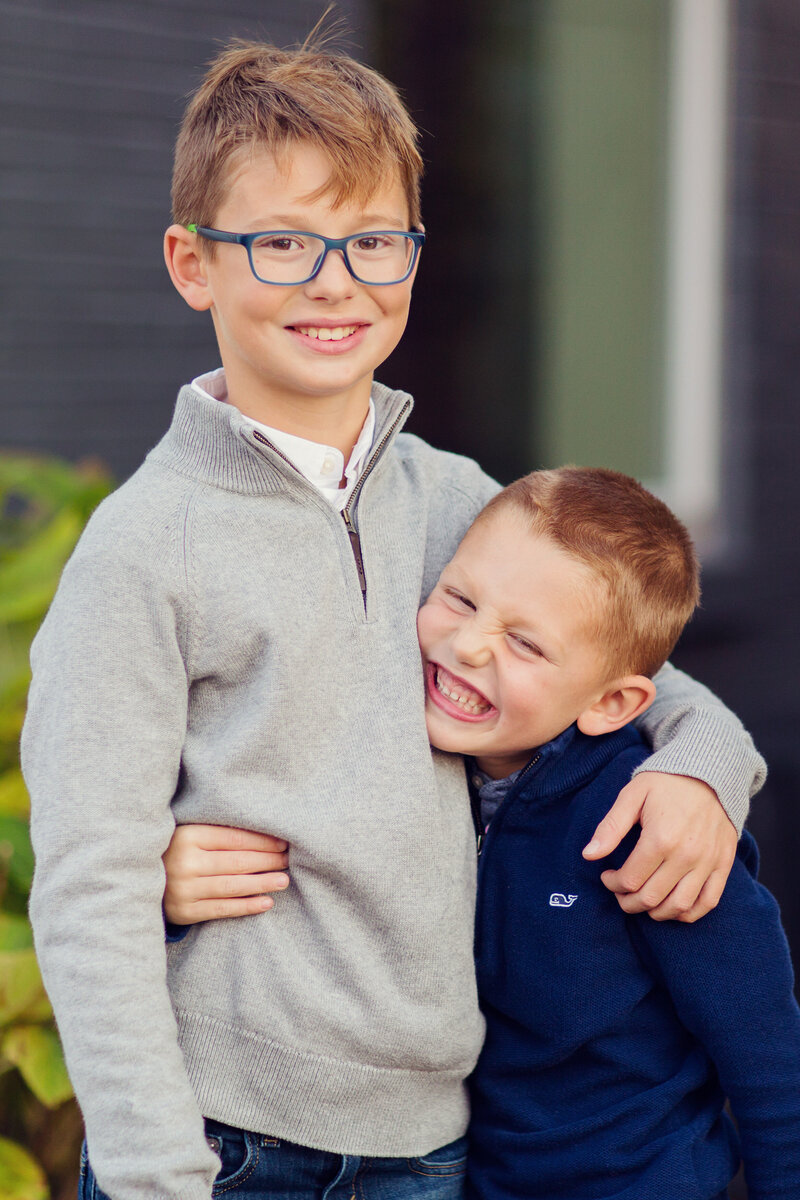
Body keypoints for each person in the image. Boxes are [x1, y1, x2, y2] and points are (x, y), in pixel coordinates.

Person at [21, 37, 764, 1200]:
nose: (334, 282)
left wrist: (701, 773)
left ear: (413, 255)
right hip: (227, 1141)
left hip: (431, 1144)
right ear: (190, 263)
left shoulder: (459, 501)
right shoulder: (141, 548)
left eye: (372, 242)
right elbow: (86, 885)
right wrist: (156, 1172)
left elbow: (650, 685)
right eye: (280, 242)